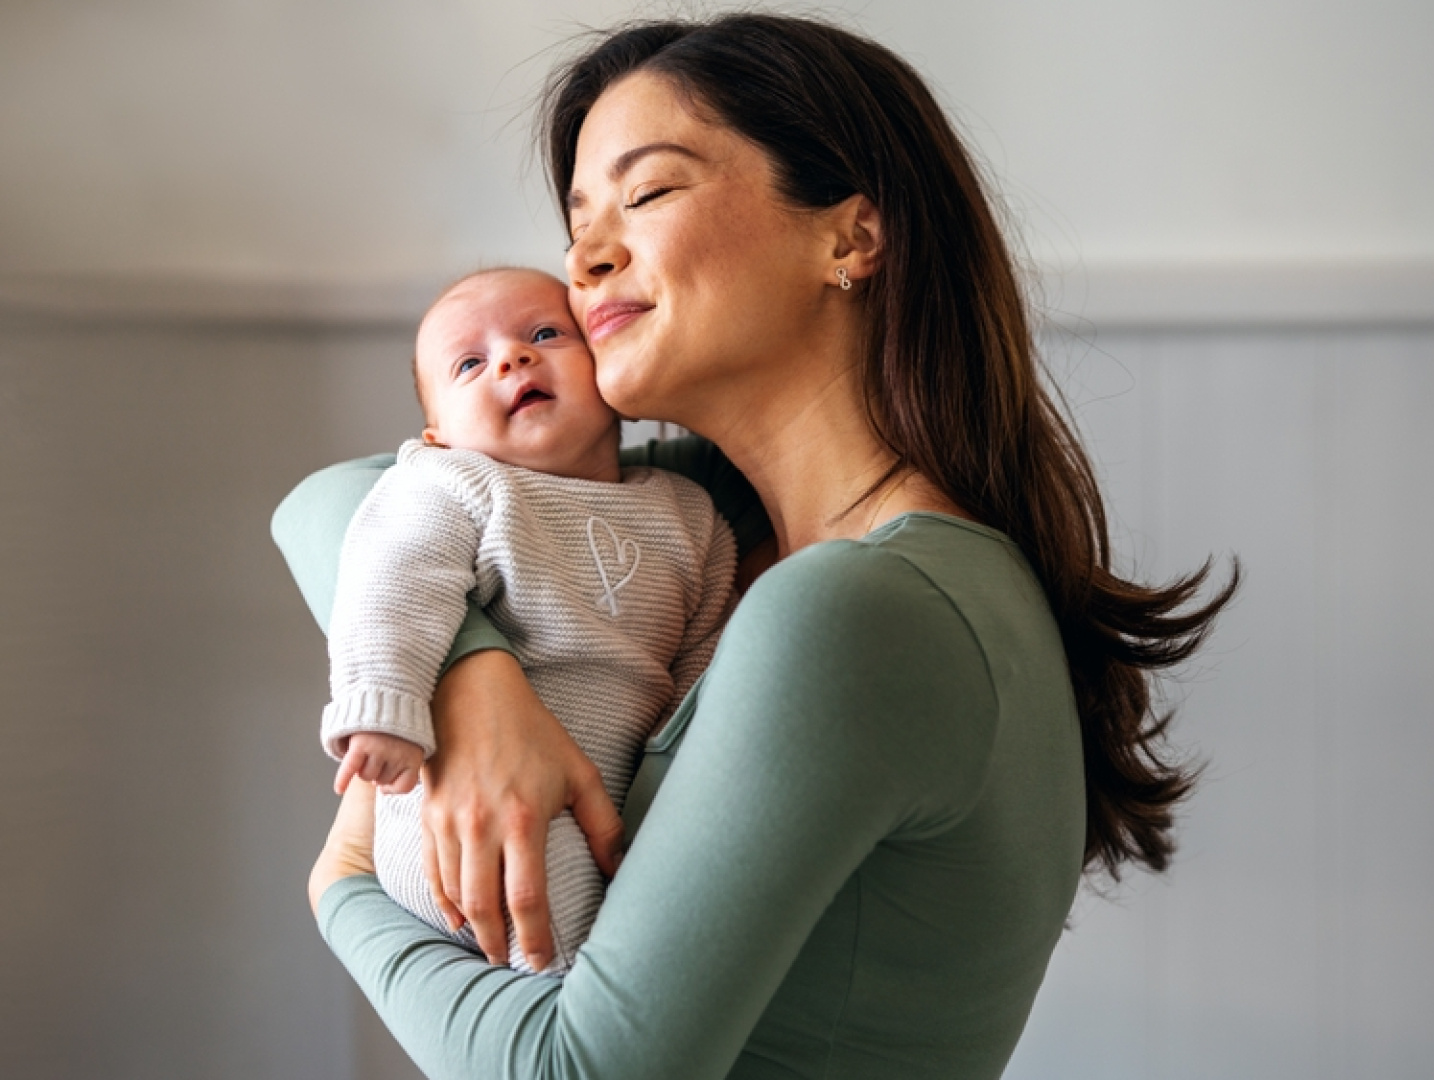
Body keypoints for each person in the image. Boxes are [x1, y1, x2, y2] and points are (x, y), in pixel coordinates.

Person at [281, 13, 1236, 1079]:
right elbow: (329, 504)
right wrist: (476, 680)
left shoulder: (858, 606)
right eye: (577, 224)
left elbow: (577, 1071)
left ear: (850, 237)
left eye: (645, 194)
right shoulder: (726, 526)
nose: (587, 260)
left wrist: (347, 882)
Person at [316, 266, 734, 976]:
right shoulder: (454, 483)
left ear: (610, 379)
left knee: (638, 914)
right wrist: (381, 707)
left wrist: (683, 780)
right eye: (470, 363)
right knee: (564, 918)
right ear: (437, 434)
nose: (512, 359)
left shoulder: (690, 514)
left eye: (544, 334)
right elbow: (394, 578)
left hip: (606, 797)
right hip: (461, 817)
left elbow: (704, 658)